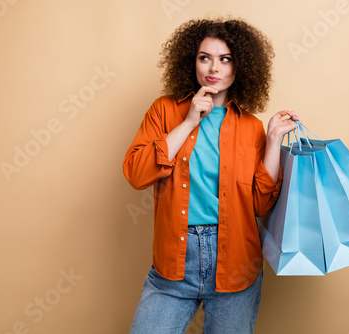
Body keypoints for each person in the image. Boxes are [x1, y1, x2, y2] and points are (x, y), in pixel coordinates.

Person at [123, 17, 299, 334]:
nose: (213, 68)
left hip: (236, 262)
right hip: (174, 261)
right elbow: (137, 173)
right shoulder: (164, 111)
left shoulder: (251, 127)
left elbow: (260, 205)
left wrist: (273, 140)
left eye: (225, 59)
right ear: (192, 61)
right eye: (204, 57)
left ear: (240, 66)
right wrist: (190, 121)